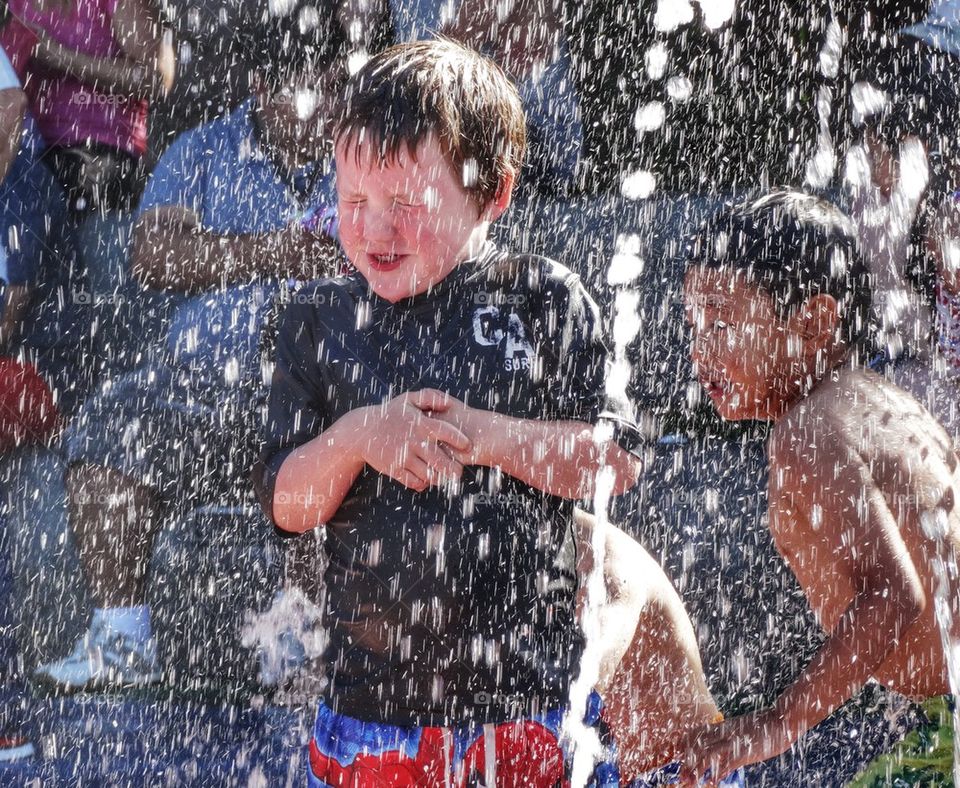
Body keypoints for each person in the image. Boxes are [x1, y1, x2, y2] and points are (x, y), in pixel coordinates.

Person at [253, 37, 740, 785]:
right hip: (371, 719)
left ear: (494, 192)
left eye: (405, 204)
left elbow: (611, 464)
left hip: (530, 707)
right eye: (353, 202)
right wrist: (356, 436)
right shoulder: (318, 321)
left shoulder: (540, 300)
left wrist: (484, 435)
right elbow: (288, 503)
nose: (375, 229)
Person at [30, 12, 345, 693]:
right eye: (306, 92)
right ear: (262, 88)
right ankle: (122, 639)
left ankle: (309, 648)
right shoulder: (205, 150)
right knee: (111, 422)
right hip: (200, 383)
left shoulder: (364, 155)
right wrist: (274, 252)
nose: (321, 110)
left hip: (323, 386)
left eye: (331, 91)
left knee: (333, 435)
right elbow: (153, 253)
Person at [679, 190, 960, 784]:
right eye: (694, 327)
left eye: (723, 322)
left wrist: (776, 724)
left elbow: (894, 596)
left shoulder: (805, 430)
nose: (700, 353)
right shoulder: (880, 402)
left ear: (813, 323)